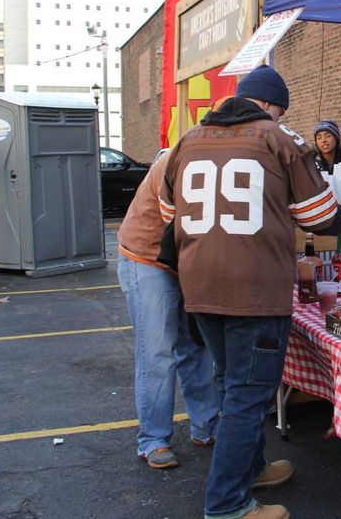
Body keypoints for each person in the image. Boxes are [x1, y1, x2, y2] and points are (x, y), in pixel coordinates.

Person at [159, 64, 341, 519]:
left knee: (231, 384)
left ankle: (252, 468)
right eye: (279, 110)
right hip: (254, 291)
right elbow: (323, 218)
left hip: (200, 286)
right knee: (248, 395)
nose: (279, 118)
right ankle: (226, 504)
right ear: (267, 105)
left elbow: (170, 213)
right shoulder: (278, 139)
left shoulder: (187, 141)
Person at [117, 149, 219, 469]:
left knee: (195, 346)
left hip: (183, 260)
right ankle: (153, 439)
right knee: (158, 351)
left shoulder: (223, 162)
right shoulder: (181, 160)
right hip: (147, 258)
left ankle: (206, 426)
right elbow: (178, 227)